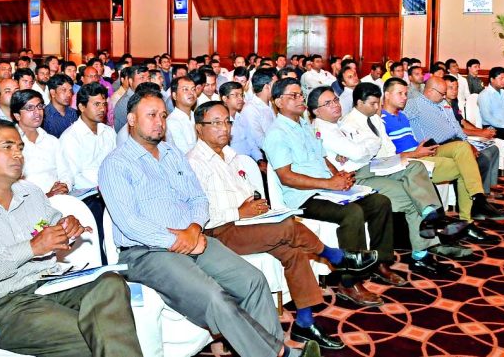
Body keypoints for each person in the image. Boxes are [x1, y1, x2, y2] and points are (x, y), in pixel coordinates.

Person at [99, 86, 321, 357]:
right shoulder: (115, 164)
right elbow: (130, 223)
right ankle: (278, 354)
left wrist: (193, 229)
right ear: (132, 119)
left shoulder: (172, 154)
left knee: (254, 281)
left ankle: (271, 352)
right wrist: (179, 239)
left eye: (163, 116)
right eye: (151, 115)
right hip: (147, 252)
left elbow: (198, 199)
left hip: (195, 239)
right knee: (216, 297)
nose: (159, 122)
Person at [0, 119, 142, 357]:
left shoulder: (31, 192)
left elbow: (55, 222)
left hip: (52, 284)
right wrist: (32, 247)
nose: (18, 154)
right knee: (97, 334)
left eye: (20, 148)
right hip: (5, 304)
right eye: (8, 147)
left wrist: (67, 227)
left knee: (110, 282)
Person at [188, 100, 376, 347]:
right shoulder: (193, 162)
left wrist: (256, 204)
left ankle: (304, 324)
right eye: (215, 123)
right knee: (289, 227)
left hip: (246, 224)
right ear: (199, 128)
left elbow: (247, 192)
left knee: (295, 249)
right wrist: (240, 211)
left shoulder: (231, 156)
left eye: (226, 121)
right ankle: (337, 257)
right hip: (218, 231)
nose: (223, 128)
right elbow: (198, 212)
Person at [262, 78, 406, 299]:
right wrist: (328, 183)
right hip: (304, 196)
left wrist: (337, 175)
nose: (300, 99)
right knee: (352, 213)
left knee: (380, 202)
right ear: (278, 102)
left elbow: (322, 159)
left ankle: (379, 263)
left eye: (301, 95)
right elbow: (287, 177)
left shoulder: (304, 125)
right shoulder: (277, 133)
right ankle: (349, 281)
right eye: (293, 96)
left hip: (325, 188)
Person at [312, 84, 474, 277]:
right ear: (316, 111)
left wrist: (359, 149)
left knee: (416, 169)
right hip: (354, 178)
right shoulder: (328, 129)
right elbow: (360, 151)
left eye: (336, 100)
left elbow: (361, 152)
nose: (336, 105)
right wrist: (366, 145)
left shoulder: (337, 124)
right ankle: (422, 249)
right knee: (414, 196)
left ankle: (430, 218)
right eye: (328, 103)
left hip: (370, 166)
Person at [370, 78, 504, 231]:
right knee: (465, 168)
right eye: (400, 94)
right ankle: (468, 221)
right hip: (411, 159)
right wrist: (416, 152)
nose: (405, 97)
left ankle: (478, 199)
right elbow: (386, 155)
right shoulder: (381, 120)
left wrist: (420, 148)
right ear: (387, 95)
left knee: (463, 148)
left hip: (423, 149)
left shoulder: (402, 116)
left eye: (405, 93)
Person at [59, 82, 115, 264]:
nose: (102, 109)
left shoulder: (108, 132)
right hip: (87, 194)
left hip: (111, 189)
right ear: (82, 107)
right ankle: (103, 264)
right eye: (96, 104)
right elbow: (73, 176)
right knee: (99, 214)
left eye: (104, 104)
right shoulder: (70, 137)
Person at [6, 89, 73, 198]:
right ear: (17, 115)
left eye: (39, 106)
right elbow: (11, 187)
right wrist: (46, 196)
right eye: (30, 108)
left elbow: (66, 173)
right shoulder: (9, 145)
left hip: (59, 198)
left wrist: (64, 186)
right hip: (27, 204)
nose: (37, 112)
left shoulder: (52, 141)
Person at [442, 76, 501, 195]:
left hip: (461, 137)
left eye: (456, 87)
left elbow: (462, 121)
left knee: (494, 149)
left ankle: (488, 188)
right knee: (485, 157)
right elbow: (455, 129)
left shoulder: (454, 101)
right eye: (451, 88)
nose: (455, 90)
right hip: (451, 141)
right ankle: (479, 192)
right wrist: (480, 133)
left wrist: (480, 130)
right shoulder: (441, 105)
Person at [232, 69, 277, 168]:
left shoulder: (271, 104)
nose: (277, 88)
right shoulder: (251, 109)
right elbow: (259, 141)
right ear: (267, 87)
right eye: (275, 84)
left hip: (275, 151)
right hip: (264, 156)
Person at [165, 76, 198, 153]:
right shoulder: (172, 122)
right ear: (174, 96)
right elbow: (185, 154)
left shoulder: (198, 117)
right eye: (185, 89)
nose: (191, 93)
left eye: (193, 89)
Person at [113, 65, 149, 132]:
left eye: (148, 78)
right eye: (142, 78)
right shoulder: (125, 103)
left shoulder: (146, 97)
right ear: (130, 81)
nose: (147, 81)